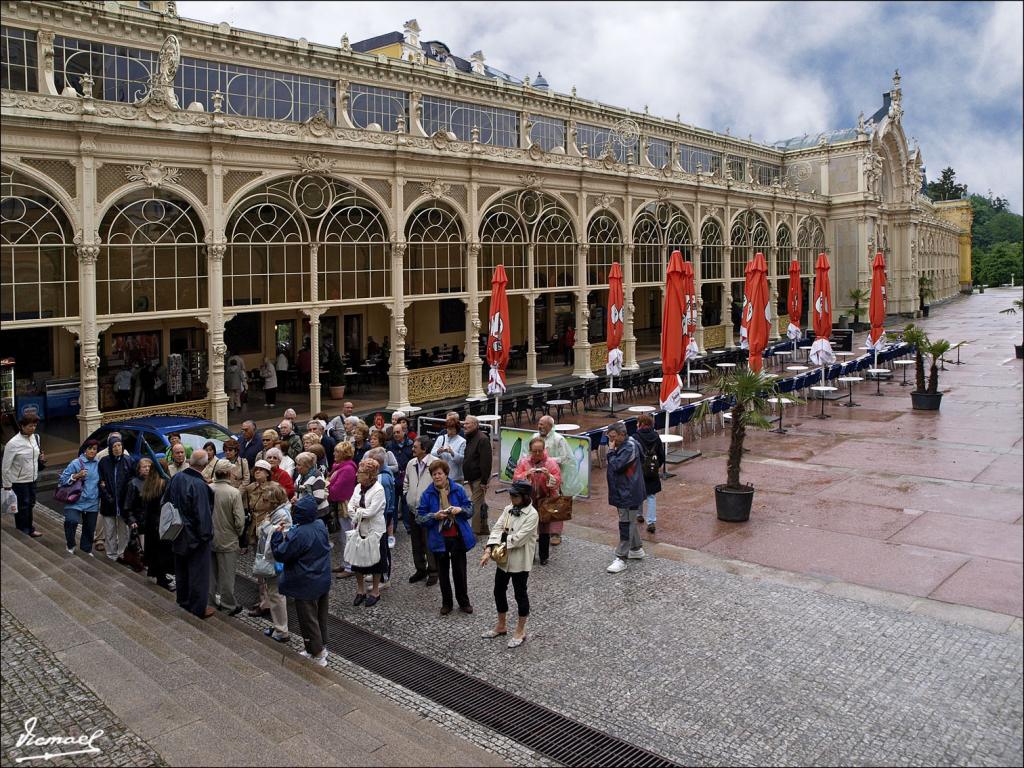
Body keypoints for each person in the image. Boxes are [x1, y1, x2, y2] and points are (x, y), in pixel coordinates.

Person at [271, 494, 331, 666]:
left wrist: (277, 537)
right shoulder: (320, 525)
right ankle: (319, 646)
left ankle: (317, 652)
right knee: (320, 615)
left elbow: (281, 553)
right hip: (322, 578)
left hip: (305, 582)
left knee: (308, 618)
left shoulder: (299, 533)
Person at [480, 479, 539, 649]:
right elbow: (498, 528)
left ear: (525, 497)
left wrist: (496, 546)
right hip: (503, 560)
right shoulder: (508, 509)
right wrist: (490, 548)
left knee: (520, 594)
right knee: (498, 590)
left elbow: (519, 539)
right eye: (511, 495)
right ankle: (501, 625)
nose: (511, 498)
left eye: (515, 496)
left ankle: (520, 631)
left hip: (520, 561)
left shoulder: (533, 515)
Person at [417, 459, 475, 616]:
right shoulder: (427, 494)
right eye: (434, 474)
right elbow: (420, 517)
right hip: (439, 538)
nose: (437, 477)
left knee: (460, 572)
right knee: (443, 573)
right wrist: (434, 516)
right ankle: (447, 603)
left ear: (446, 474)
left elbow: (470, 509)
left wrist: (459, 510)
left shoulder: (458, 489)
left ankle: (464, 602)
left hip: (457, 536)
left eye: (440, 473)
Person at [164, 451, 216, 619]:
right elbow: (203, 515)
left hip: (177, 531)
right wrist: (206, 536)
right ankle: (198, 607)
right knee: (198, 574)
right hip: (195, 536)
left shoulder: (177, 478)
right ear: (205, 465)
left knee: (182, 569)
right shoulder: (199, 485)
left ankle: (183, 599)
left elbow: (165, 502)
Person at [126, 457, 174, 590]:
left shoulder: (149, 483)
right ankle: (162, 578)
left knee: (153, 550)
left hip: (150, 522)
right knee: (161, 552)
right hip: (160, 522)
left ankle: (158, 574)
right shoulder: (163, 484)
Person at [605, 422, 647, 574]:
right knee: (629, 520)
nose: (611, 441)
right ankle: (636, 548)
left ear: (622, 434)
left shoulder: (629, 447)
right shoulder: (626, 445)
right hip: (625, 489)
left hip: (628, 491)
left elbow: (616, 465)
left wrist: (610, 452)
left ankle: (621, 557)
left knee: (625, 522)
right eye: (610, 438)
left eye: (613, 437)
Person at [512, 437, 561, 565]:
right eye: (535, 451)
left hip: (545, 500)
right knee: (529, 529)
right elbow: (516, 479)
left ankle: (544, 557)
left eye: (540, 451)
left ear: (544, 449)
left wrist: (549, 476)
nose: (538, 454)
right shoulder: (524, 462)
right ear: (530, 450)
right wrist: (526, 474)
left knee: (544, 530)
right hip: (528, 500)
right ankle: (529, 555)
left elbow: (557, 481)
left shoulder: (550, 463)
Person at [349, 458, 388, 607]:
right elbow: (350, 505)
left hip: (375, 531)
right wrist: (357, 513)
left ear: (370, 475)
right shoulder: (358, 487)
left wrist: (357, 512)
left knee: (375, 561)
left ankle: (375, 591)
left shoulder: (379, 489)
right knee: (357, 562)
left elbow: (371, 512)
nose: (357, 474)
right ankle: (360, 591)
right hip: (359, 530)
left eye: (360, 472)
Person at [210, 459, 246, 615]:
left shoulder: (208, 488)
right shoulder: (234, 493)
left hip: (209, 538)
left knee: (210, 574)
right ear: (229, 473)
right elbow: (239, 520)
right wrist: (238, 534)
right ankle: (228, 605)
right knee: (227, 576)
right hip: (228, 539)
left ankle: (209, 602)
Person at [535, 415, 577, 546]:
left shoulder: (559, 439)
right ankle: (542, 532)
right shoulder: (534, 438)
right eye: (539, 424)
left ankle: (555, 534)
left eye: (542, 424)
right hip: (538, 478)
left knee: (556, 504)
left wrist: (548, 461)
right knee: (539, 503)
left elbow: (565, 457)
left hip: (555, 477)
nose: (539, 426)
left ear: (550, 426)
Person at [2, 412, 45, 539]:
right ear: (22, 426)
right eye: (30, 426)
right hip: (19, 480)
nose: (33, 428)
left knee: (31, 503)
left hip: (32, 477)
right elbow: (5, 466)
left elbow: (35, 456)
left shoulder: (36, 438)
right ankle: (23, 530)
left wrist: (40, 458)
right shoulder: (13, 443)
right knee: (23, 505)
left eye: (35, 425)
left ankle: (29, 528)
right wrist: (7, 485)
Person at [403, 436, 438, 585]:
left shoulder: (435, 464)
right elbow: (406, 482)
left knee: (429, 542)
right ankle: (420, 569)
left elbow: (441, 485)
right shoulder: (411, 463)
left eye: (415, 447)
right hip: (413, 511)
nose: (412, 449)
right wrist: (408, 497)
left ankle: (433, 571)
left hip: (428, 512)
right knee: (416, 542)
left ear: (424, 449)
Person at [57, 439, 101, 556]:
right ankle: (70, 544)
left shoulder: (99, 464)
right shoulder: (76, 463)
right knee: (71, 521)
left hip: (92, 501)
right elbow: (62, 480)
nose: (92, 451)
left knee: (90, 527)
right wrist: (76, 476)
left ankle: (86, 549)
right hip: (75, 500)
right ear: (84, 450)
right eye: (90, 448)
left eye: (95, 449)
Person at [98, 434, 134, 562]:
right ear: (110, 448)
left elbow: (131, 482)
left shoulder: (128, 461)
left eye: (119, 445)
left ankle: (122, 553)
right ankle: (111, 554)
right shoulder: (104, 462)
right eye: (114, 446)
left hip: (123, 503)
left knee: (123, 531)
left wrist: (127, 499)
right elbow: (101, 483)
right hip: (109, 504)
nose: (117, 448)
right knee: (110, 531)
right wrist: (109, 498)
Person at [328, 441, 358, 577]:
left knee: (348, 536)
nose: (334, 454)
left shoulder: (347, 469)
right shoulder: (340, 467)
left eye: (337, 452)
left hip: (345, 506)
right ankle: (346, 562)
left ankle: (350, 567)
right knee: (343, 536)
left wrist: (326, 486)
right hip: (341, 505)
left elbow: (336, 490)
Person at [633, 413, 665, 534]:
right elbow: (661, 455)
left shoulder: (635, 437)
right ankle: (651, 522)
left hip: (639, 469)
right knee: (651, 496)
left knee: (639, 492)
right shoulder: (656, 437)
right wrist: (657, 466)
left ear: (641, 424)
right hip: (652, 469)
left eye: (637, 423)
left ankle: (639, 514)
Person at [462, 415, 492, 536]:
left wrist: (484, 481)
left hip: (479, 478)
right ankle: (484, 527)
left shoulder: (482, 439)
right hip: (472, 477)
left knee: (475, 504)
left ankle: (474, 531)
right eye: (464, 423)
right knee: (480, 503)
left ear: (475, 425)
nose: (465, 425)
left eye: (467, 423)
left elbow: (486, 462)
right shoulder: (470, 437)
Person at [292, 452, 329, 529]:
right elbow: (297, 490)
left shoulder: (317, 476)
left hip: (318, 514)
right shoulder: (301, 474)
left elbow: (318, 499)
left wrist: (299, 501)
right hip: (306, 512)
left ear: (307, 466)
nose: (296, 467)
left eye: (299, 465)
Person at [432, 414, 466, 483]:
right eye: (448, 428)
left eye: (451, 428)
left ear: (456, 429)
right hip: (441, 476)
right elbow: (432, 453)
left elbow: (461, 460)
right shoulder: (441, 438)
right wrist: (439, 451)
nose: (449, 430)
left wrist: (452, 453)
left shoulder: (462, 441)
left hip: (456, 477)